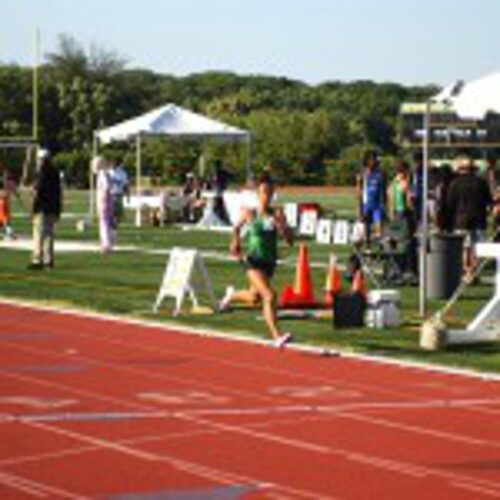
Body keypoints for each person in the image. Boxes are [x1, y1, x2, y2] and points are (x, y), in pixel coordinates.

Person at [219, 172, 293, 348]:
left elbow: (290, 241)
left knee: (254, 298)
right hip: (252, 260)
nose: (267, 195)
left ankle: (231, 296)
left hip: (269, 263)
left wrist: (282, 227)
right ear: (258, 194)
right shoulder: (250, 213)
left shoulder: (277, 213)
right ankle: (277, 336)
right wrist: (235, 242)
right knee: (270, 295)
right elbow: (236, 228)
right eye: (264, 192)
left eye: (270, 192)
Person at [447, 156, 493, 281]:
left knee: (464, 247)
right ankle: (473, 272)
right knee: (477, 248)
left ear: (461, 169)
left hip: (461, 219)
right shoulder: (481, 182)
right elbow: (489, 200)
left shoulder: (455, 183)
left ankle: (466, 272)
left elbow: (450, 203)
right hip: (479, 218)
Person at [28, 149, 62, 270]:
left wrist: (32, 208)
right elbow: (58, 193)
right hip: (52, 208)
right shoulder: (55, 172)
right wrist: (58, 210)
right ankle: (49, 261)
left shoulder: (41, 173)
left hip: (42, 208)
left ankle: (37, 259)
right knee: (49, 235)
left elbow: (38, 192)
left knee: (38, 234)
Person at [356, 151, 386, 245]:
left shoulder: (381, 174)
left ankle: (379, 246)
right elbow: (359, 192)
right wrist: (359, 208)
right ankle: (367, 246)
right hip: (366, 205)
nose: (375, 161)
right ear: (368, 160)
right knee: (367, 229)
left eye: (376, 159)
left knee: (379, 230)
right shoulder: (362, 174)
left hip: (377, 205)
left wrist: (385, 205)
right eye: (373, 159)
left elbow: (384, 190)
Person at [92, 156, 115, 253]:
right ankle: (108, 242)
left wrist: (103, 199)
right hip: (107, 200)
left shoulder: (102, 174)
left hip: (103, 201)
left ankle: (106, 245)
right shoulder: (105, 173)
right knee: (107, 223)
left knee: (104, 223)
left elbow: (106, 187)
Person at [0, 161, 20, 239]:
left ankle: (9, 232)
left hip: (5, 201)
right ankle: (10, 232)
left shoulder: (8, 181)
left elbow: (14, 190)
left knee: (5, 218)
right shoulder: (4, 181)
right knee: (4, 218)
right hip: (2, 201)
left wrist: (16, 194)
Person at [108, 158, 129, 227]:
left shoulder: (122, 173)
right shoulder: (108, 172)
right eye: (111, 164)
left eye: (114, 164)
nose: (113, 165)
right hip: (109, 194)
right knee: (111, 211)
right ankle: (111, 224)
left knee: (119, 212)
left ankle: (116, 224)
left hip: (119, 194)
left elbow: (125, 184)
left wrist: (128, 195)